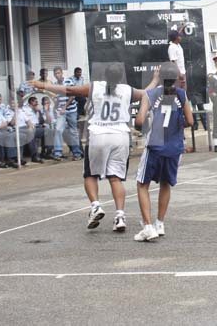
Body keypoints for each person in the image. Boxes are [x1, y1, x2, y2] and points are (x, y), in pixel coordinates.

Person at [35, 64, 147, 232]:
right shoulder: (127, 89)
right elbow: (146, 93)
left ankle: (95, 206)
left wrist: (43, 85)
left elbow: (69, 90)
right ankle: (120, 216)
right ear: (121, 77)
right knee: (115, 178)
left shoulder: (95, 86)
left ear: (104, 75)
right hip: (121, 135)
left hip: (99, 133)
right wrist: (154, 81)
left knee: (90, 174)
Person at [134, 62, 194, 241]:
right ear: (176, 78)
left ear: (159, 77)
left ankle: (147, 226)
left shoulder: (151, 94)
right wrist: (176, 124)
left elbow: (139, 120)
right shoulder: (182, 94)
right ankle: (160, 223)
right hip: (174, 146)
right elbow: (190, 121)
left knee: (142, 184)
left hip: (155, 145)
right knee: (165, 183)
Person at [52, 66, 83, 161]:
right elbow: (56, 98)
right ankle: (57, 152)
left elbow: (72, 96)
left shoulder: (68, 82)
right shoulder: (55, 85)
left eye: (58, 73)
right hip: (61, 111)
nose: (57, 75)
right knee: (58, 130)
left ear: (61, 73)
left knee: (73, 131)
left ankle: (77, 152)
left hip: (71, 110)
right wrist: (55, 107)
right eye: (55, 73)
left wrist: (65, 107)